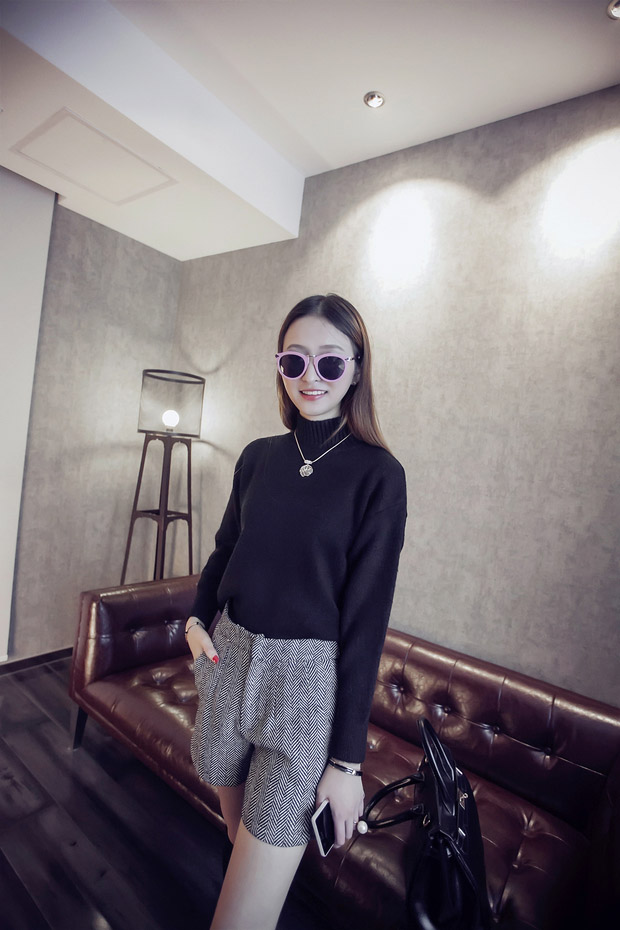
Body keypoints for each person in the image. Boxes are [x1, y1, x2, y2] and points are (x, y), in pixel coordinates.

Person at [185, 293, 407, 930]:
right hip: (229, 660)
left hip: (305, 688)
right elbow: (225, 549)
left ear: (357, 370)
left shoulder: (379, 476)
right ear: (280, 366)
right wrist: (196, 622)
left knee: (241, 913)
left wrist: (346, 763)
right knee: (238, 844)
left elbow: (365, 626)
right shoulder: (258, 457)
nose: (311, 376)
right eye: (294, 361)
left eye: (330, 362)